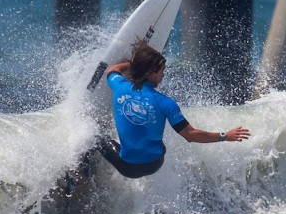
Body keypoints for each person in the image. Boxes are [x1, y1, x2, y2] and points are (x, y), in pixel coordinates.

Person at [98, 40, 251, 179]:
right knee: (154, 137)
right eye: (161, 71)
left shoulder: (119, 87)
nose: (163, 75)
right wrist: (225, 136)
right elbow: (190, 135)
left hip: (128, 168)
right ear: (152, 73)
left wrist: (134, 65)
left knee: (96, 137)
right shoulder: (165, 103)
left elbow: (113, 69)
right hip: (155, 163)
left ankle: (81, 173)